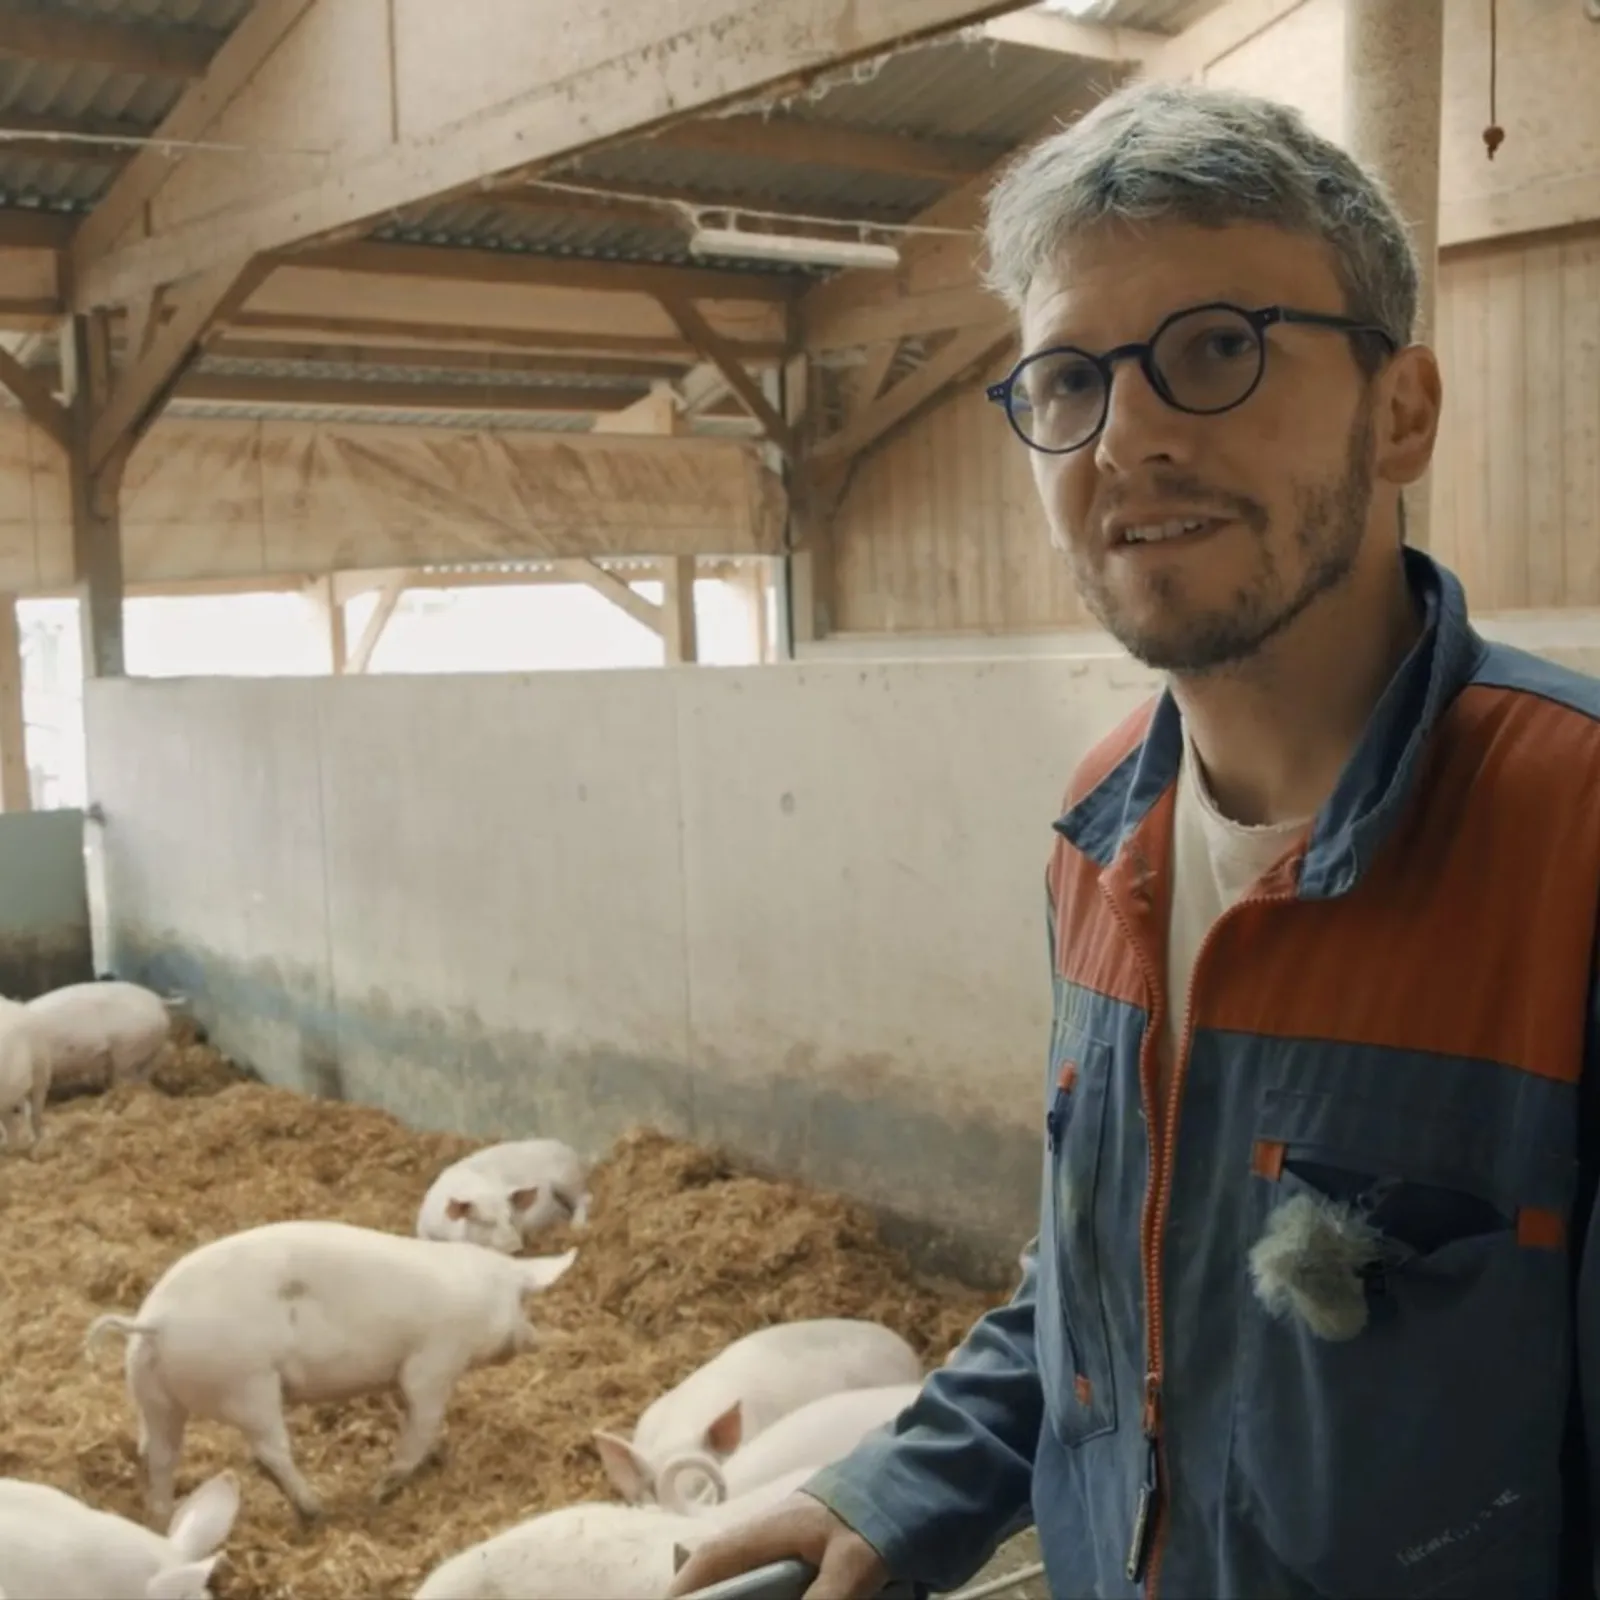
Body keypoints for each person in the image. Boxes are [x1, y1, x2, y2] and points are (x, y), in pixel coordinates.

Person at [667, 77, 1600, 1600]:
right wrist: (908, 1487)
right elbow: (1118, 1292)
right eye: (1067, 382)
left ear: (1404, 411)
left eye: (1219, 350)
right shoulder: (1104, 833)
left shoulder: (1573, 840)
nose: (1130, 439)